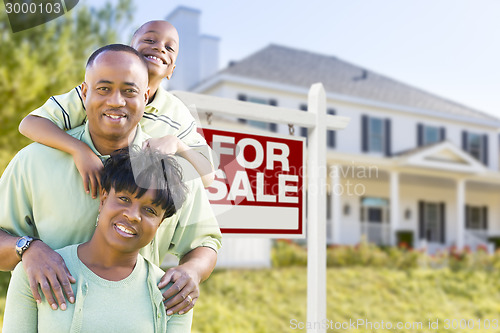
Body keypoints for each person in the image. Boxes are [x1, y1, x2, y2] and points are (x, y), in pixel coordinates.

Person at [0, 44, 221, 317]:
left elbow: (205, 242)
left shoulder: (173, 173)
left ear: (146, 95)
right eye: (103, 88)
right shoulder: (33, 161)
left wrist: (192, 272)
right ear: (84, 92)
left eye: (129, 91)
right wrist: (27, 248)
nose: (116, 101)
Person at [3, 147, 193, 332]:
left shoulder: (173, 293)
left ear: (159, 224)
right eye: (124, 199)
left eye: (150, 210)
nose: (133, 215)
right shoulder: (37, 271)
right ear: (103, 199)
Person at [19, 20, 215, 195]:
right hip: (78, 191)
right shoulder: (96, 94)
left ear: (172, 70)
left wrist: (177, 144)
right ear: (129, 50)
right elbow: (30, 124)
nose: (160, 48)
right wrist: (79, 150)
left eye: (169, 48)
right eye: (150, 40)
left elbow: (208, 176)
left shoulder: (177, 114)